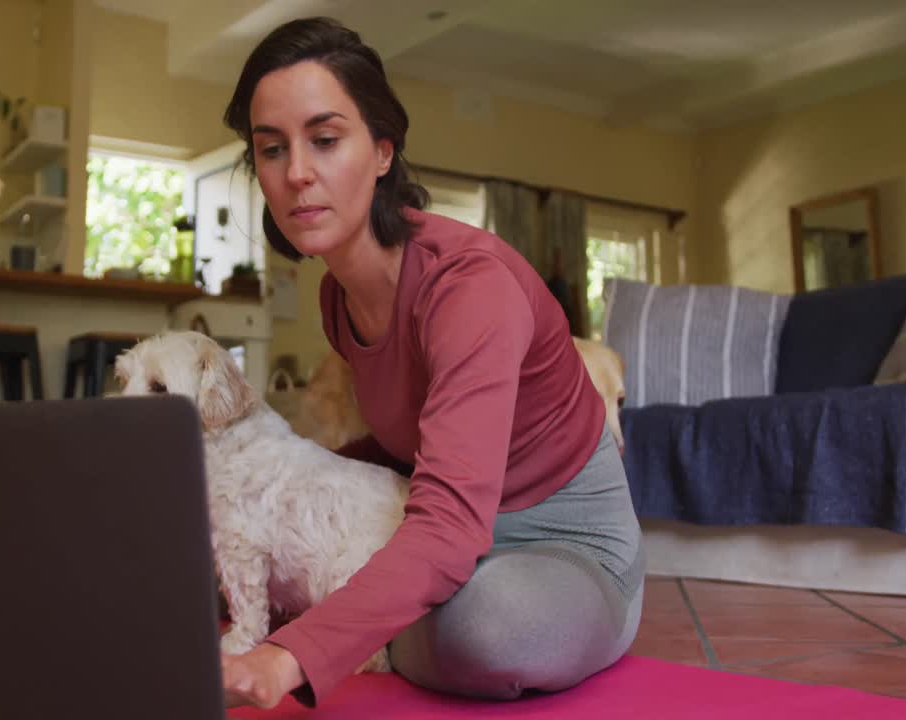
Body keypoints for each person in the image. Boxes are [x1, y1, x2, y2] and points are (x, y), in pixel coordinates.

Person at [218, 16, 644, 710]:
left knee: (483, 628)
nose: (297, 172)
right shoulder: (340, 296)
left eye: (325, 140)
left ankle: (377, 623)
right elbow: (396, 457)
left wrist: (288, 655)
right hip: (435, 533)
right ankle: (375, 616)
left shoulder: (469, 287)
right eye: (272, 149)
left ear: (383, 151)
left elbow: (449, 522)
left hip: (563, 551)